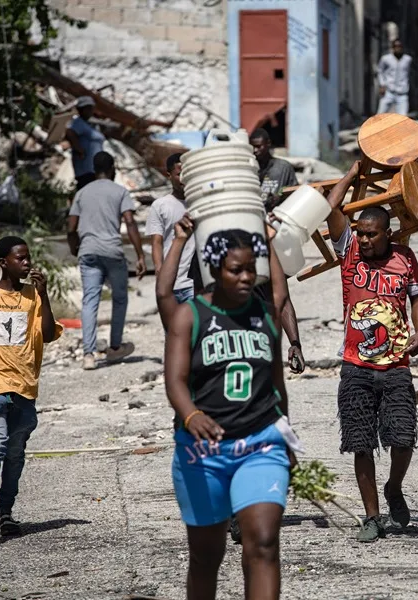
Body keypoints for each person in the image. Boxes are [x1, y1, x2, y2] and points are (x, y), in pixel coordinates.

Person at [165, 225, 297, 599]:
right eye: (235, 270)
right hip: (202, 453)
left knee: (264, 543)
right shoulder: (190, 316)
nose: (245, 277)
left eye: (251, 269)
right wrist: (191, 415)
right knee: (206, 556)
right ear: (214, 270)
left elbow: (277, 386)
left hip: (261, 444)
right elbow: (175, 381)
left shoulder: (266, 316)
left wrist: (286, 436)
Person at [326, 162, 418, 543]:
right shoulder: (349, 253)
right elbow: (330, 207)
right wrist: (355, 171)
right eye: (360, 232)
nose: (364, 239)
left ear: (388, 233)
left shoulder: (405, 258)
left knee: (402, 437)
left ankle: (393, 487)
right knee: (360, 442)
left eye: (371, 234)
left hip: (397, 364)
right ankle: (371, 516)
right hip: (355, 366)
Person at [0, 237, 62, 547]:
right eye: (20, 258)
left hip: (25, 388)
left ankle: (7, 513)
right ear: (3, 262)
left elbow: (49, 333)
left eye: (28, 258)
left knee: (14, 455)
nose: (27, 263)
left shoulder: (32, 296)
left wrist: (44, 294)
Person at [67, 151, 143, 371]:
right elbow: (130, 222)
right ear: (112, 169)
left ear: (94, 169)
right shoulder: (120, 191)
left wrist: (74, 248)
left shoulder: (82, 193)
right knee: (119, 298)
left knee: (90, 301)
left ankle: (88, 355)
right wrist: (139, 255)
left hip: (88, 252)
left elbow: (71, 227)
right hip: (112, 251)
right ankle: (115, 346)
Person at [146, 153, 195, 307]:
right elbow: (157, 242)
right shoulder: (160, 206)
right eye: (179, 174)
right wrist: (160, 275)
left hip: (194, 284)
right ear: (169, 175)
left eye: (187, 173)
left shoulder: (199, 204)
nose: (184, 178)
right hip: (171, 285)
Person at [64, 96, 105, 192]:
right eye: (88, 108)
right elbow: (70, 132)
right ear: (81, 110)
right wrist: (79, 149)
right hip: (86, 170)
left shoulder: (90, 124)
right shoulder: (78, 122)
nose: (90, 111)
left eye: (91, 108)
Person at [250, 128, 297, 210]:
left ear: (268, 143)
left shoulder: (283, 167)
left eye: (258, 146)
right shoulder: (248, 169)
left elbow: (294, 192)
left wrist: (279, 196)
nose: (255, 150)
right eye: (252, 147)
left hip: (277, 214)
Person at [376, 40, 412, 116]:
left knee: (402, 117)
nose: (398, 48)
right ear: (392, 48)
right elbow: (380, 71)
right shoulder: (385, 59)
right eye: (396, 46)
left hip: (402, 93)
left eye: (399, 46)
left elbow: (409, 73)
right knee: (380, 115)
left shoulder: (408, 59)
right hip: (389, 91)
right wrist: (382, 84)